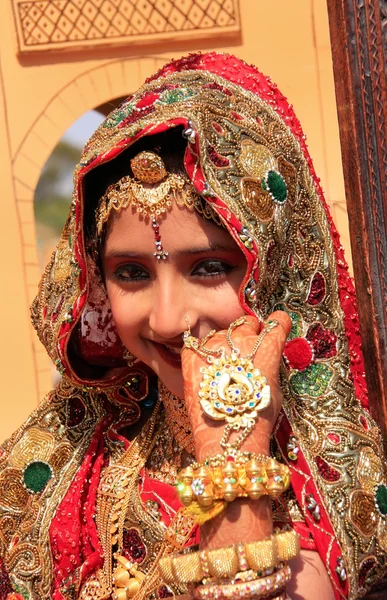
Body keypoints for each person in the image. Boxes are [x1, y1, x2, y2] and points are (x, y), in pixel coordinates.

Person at [0, 52, 386, 600]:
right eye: (130, 273)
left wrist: (234, 461)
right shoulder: (75, 470)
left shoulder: (330, 495)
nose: (167, 318)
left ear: (272, 267)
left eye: (209, 267)